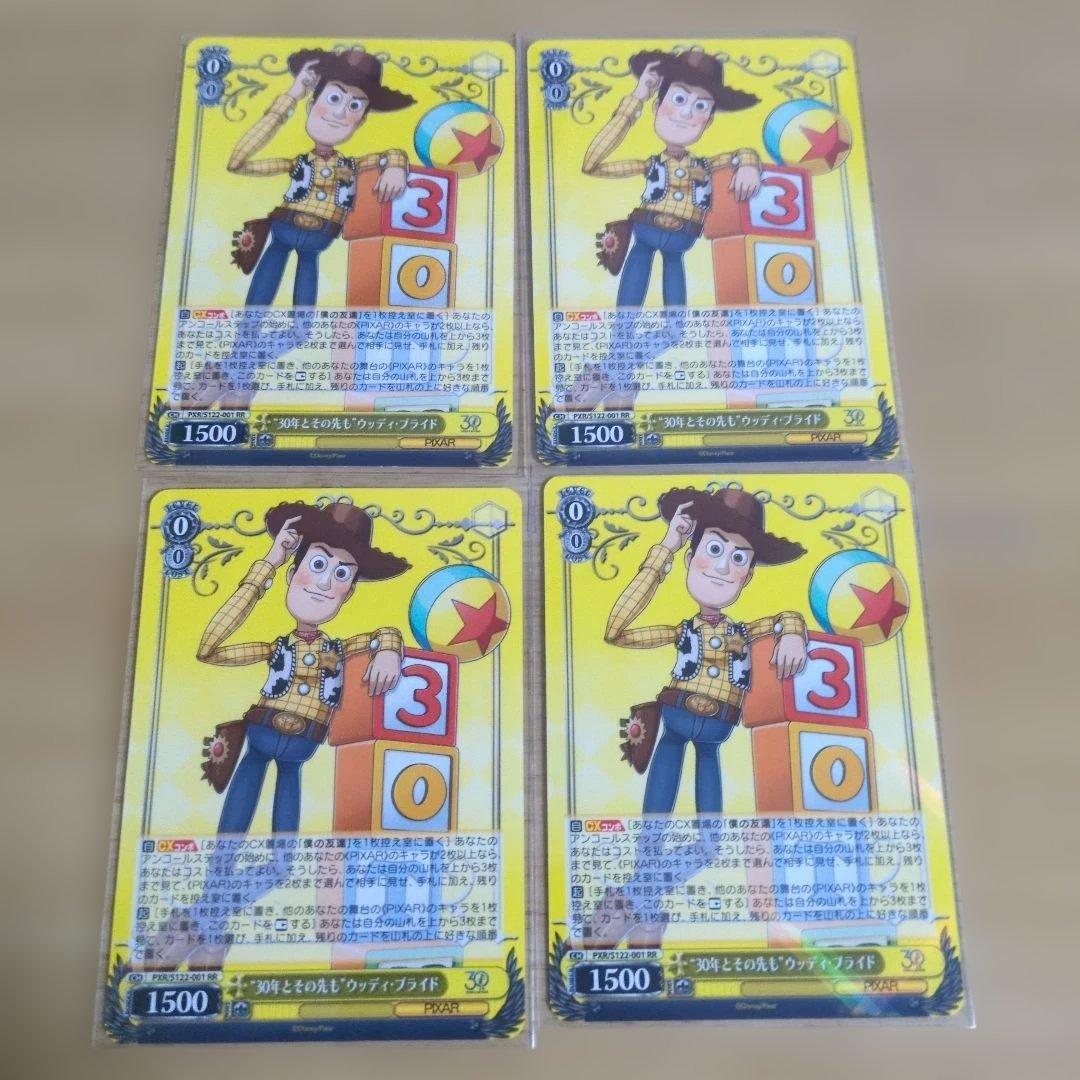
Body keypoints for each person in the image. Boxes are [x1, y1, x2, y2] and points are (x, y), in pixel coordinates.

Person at [140, 499, 410, 970]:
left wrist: (390, 649)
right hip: (257, 747)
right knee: (224, 855)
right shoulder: (275, 647)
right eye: (317, 565)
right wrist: (267, 562)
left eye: (340, 574)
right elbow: (210, 648)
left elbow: (384, 632)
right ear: (294, 572)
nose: (324, 582)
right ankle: (210, 940)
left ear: (348, 593)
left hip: (295, 761)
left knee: (281, 865)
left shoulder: (337, 648)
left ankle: (196, 925)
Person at [582, 486, 807, 949]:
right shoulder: (680, 629)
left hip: (713, 742)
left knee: (709, 845)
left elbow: (787, 617)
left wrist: (793, 633)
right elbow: (616, 630)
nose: (723, 567)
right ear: (691, 557)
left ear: (747, 576)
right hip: (673, 729)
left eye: (738, 558)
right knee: (651, 836)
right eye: (714, 550)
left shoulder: (744, 631)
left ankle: (630, 903)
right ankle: (647, 918)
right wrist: (665, 547)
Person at [183, 48, 415, 407]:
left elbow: (392, 153)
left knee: (302, 331)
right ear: (312, 103)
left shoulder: (352, 166)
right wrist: (290, 95)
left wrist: (397, 166)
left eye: (354, 106)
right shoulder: (296, 163)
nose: (340, 112)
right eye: (334, 98)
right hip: (280, 238)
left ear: (361, 120)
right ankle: (238, 384)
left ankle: (224, 372)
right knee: (251, 320)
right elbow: (238, 162)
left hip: (314, 250)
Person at [572, 49, 762, 410]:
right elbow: (592, 164)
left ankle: (606, 374)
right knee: (624, 323)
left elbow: (743, 153)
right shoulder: (649, 164)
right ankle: (622, 387)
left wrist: (750, 164)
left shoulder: (705, 165)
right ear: (658, 107)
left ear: (708, 122)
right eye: (678, 99)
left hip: (678, 249)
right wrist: (636, 98)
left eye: (700, 106)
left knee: (675, 331)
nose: (687, 113)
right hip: (642, 241)